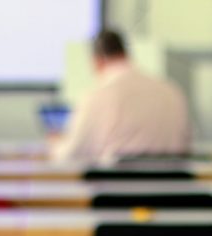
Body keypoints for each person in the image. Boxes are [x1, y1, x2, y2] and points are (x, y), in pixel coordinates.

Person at [50, 29, 191, 164]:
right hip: (170, 180)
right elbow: (186, 147)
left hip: (117, 180)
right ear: (126, 54)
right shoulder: (171, 91)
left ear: (97, 61)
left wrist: (55, 144)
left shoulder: (97, 97)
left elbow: (69, 155)